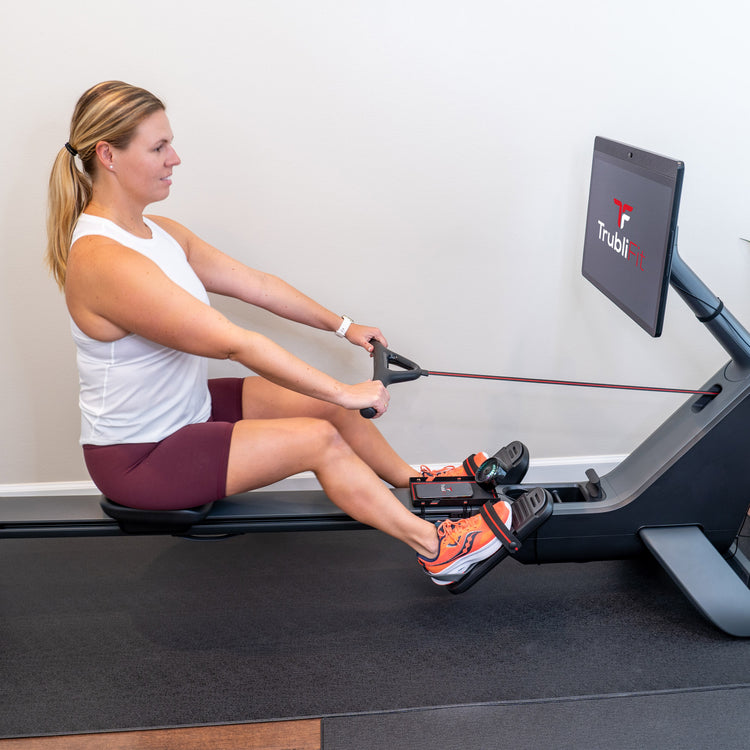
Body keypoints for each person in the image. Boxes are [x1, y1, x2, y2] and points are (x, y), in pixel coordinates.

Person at [45, 80, 513, 586]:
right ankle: (438, 549)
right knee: (319, 437)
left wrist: (344, 326)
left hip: (186, 413)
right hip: (141, 455)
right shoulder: (103, 260)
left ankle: (417, 482)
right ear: (107, 155)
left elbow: (258, 287)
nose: (175, 158)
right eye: (158, 147)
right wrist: (345, 390)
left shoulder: (159, 233)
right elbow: (232, 341)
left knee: (325, 407)